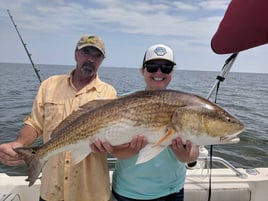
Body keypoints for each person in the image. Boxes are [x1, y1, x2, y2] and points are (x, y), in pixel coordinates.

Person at [0, 34, 117, 201]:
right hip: (52, 191)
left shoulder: (109, 93)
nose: (90, 59)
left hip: (91, 193)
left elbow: (112, 134)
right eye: (86, 52)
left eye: (96, 55)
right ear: (75, 54)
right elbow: (35, 123)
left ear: (102, 60)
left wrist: (109, 146)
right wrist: (19, 144)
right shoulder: (49, 85)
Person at [91, 44, 199, 201]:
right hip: (128, 192)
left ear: (172, 73)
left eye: (166, 67)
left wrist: (185, 155)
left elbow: (193, 152)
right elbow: (114, 150)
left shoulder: (184, 105)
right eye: (152, 66)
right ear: (142, 70)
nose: (159, 72)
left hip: (172, 192)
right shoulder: (122, 103)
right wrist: (130, 150)